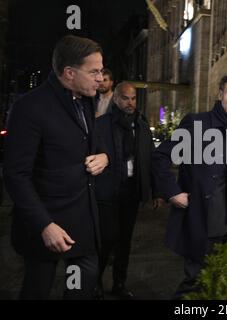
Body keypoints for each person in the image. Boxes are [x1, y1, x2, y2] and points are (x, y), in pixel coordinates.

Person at [152, 72, 227, 299]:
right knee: (196, 284)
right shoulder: (197, 123)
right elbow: (160, 157)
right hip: (207, 218)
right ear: (220, 94)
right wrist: (173, 192)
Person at [3, 35, 109, 300]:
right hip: (46, 229)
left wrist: (104, 157)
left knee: (82, 289)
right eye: (94, 71)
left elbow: (89, 146)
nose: (101, 78)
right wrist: (44, 225)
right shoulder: (28, 108)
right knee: (37, 291)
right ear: (69, 73)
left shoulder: (87, 101)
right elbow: (16, 175)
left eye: (101, 70)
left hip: (84, 223)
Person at [95, 82, 160, 299]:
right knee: (107, 239)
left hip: (132, 192)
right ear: (116, 99)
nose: (130, 102)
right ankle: (94, 285)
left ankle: (119, 284)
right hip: (108, 193)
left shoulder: (141, 127)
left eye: (133, 98)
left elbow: (151, 159)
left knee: (125, 241)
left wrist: (156, 191)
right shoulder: (102, 125)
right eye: (125, 98)